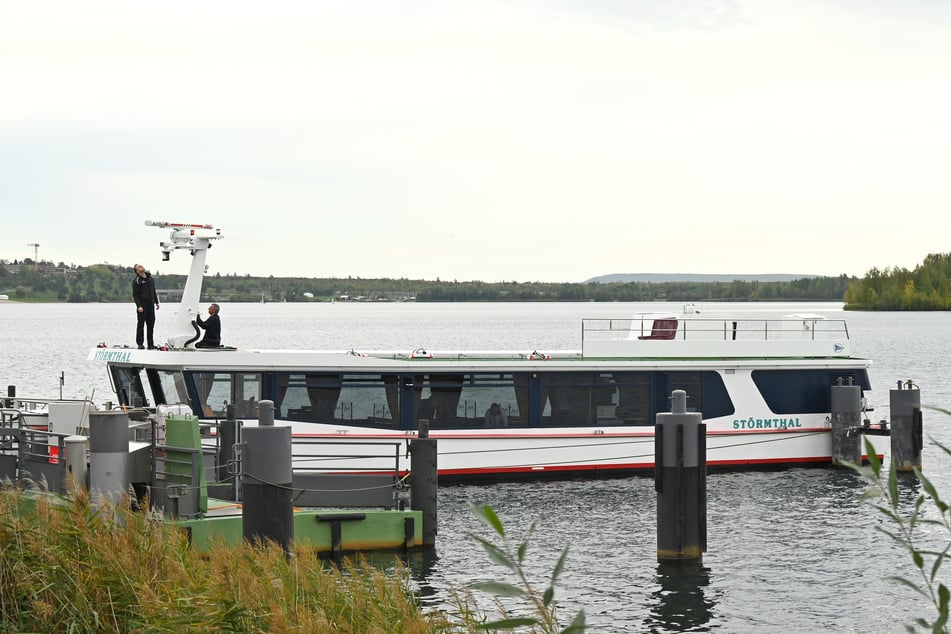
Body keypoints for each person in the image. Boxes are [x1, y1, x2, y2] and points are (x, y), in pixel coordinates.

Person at [132, 264, 160, 349]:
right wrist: (139, 306)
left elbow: (153, 290)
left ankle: (150, 344)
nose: (141, 267)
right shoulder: (136, 281)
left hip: (151, 305)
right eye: (139, 267)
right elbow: (135, 295)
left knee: (151, 324)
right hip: (142, 306)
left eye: (141, 266)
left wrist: (156, 302)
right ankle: (140, 344)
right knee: (141, 325)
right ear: (137, 271)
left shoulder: (150, 279)